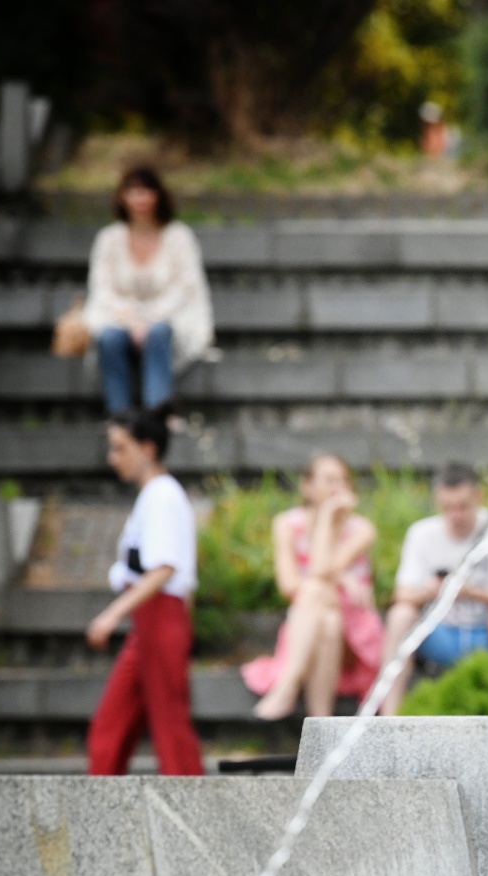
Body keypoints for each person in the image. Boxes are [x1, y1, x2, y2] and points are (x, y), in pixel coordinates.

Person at [86, 405, 202, 775]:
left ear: (147, 448)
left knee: (170, 732)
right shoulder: (155, 495)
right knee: (111, 729)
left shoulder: (162, 496)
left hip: (161, 618)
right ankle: (101, 812)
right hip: (153, 623)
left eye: (121, 448)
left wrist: (112, 614)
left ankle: (194, 816)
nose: (113, 457)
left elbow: (165, 568)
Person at [379, 462, 488, 715]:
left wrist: (471, 592)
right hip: (440, 633)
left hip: (486, 630)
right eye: (448, 507)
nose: (456, 515)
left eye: (463, 506)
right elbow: (401, 595)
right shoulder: (421, 533)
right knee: (400, 615)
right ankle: (387, 717)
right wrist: (432, 591)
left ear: (478, 497)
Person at [243, 454, 385, 721]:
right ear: (307, 486)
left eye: (343, 480)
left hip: (355, 632)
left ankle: (288, 685)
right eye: (329, 480)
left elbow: (319, 570)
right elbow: (288, 586)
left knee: (316, 590)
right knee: (326, 617)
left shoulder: (362, 529)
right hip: (312, 623)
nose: (338, 487)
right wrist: (342, 578)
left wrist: (326, 518)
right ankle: (321, 725)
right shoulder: (287, 524)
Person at [83, 165, 213, 415]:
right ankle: (120, 418)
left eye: (146, 190)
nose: (140, 198)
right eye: (133, 191)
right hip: (119, 318)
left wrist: (150, 319)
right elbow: (102, 289)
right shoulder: (109, 239)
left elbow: (186, 288)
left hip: (170, 319)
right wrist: (131, 320)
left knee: (158, 333)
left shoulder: (179, 237)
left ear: (159, 195)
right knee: (110, 338)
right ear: (122, 196)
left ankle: (157, 416)